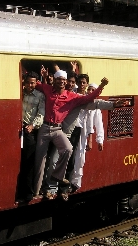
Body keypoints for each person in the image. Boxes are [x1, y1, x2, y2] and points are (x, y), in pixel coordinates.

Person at [32, 69, 109, 198]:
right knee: (40, 160)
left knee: (68, 149)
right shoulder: (47, 89)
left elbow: (90, 98)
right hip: (45, 128)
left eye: (63, 80)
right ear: (55, 81)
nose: (61, 82)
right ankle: (36, 191)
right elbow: (35, 84)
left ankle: (57, 176)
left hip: (57, 129)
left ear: (65, 82)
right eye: (59, 80)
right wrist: (39, 78)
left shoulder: (71, 96)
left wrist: (101, 86)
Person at [70, 83, 104, 192]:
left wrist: (99, 140)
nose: (90, 91)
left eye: (93, 90)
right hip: (75, 131)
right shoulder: (81, 99)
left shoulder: (95, 107)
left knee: (80, 158)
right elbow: (75, 85)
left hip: (84, 135)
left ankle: (76, 182)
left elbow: (99, 124)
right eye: (89, 89)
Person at [17, 71, 45, 202]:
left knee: (28, 162)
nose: (30, 85)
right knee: (19, 161)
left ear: (36, 83)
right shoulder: (20, 93)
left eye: (32, 83)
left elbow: (41, 114)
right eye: (28, 82)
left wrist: (32, 125)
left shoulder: (40, 96)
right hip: (19, 129)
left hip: (30, 130)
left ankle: (28, 192)